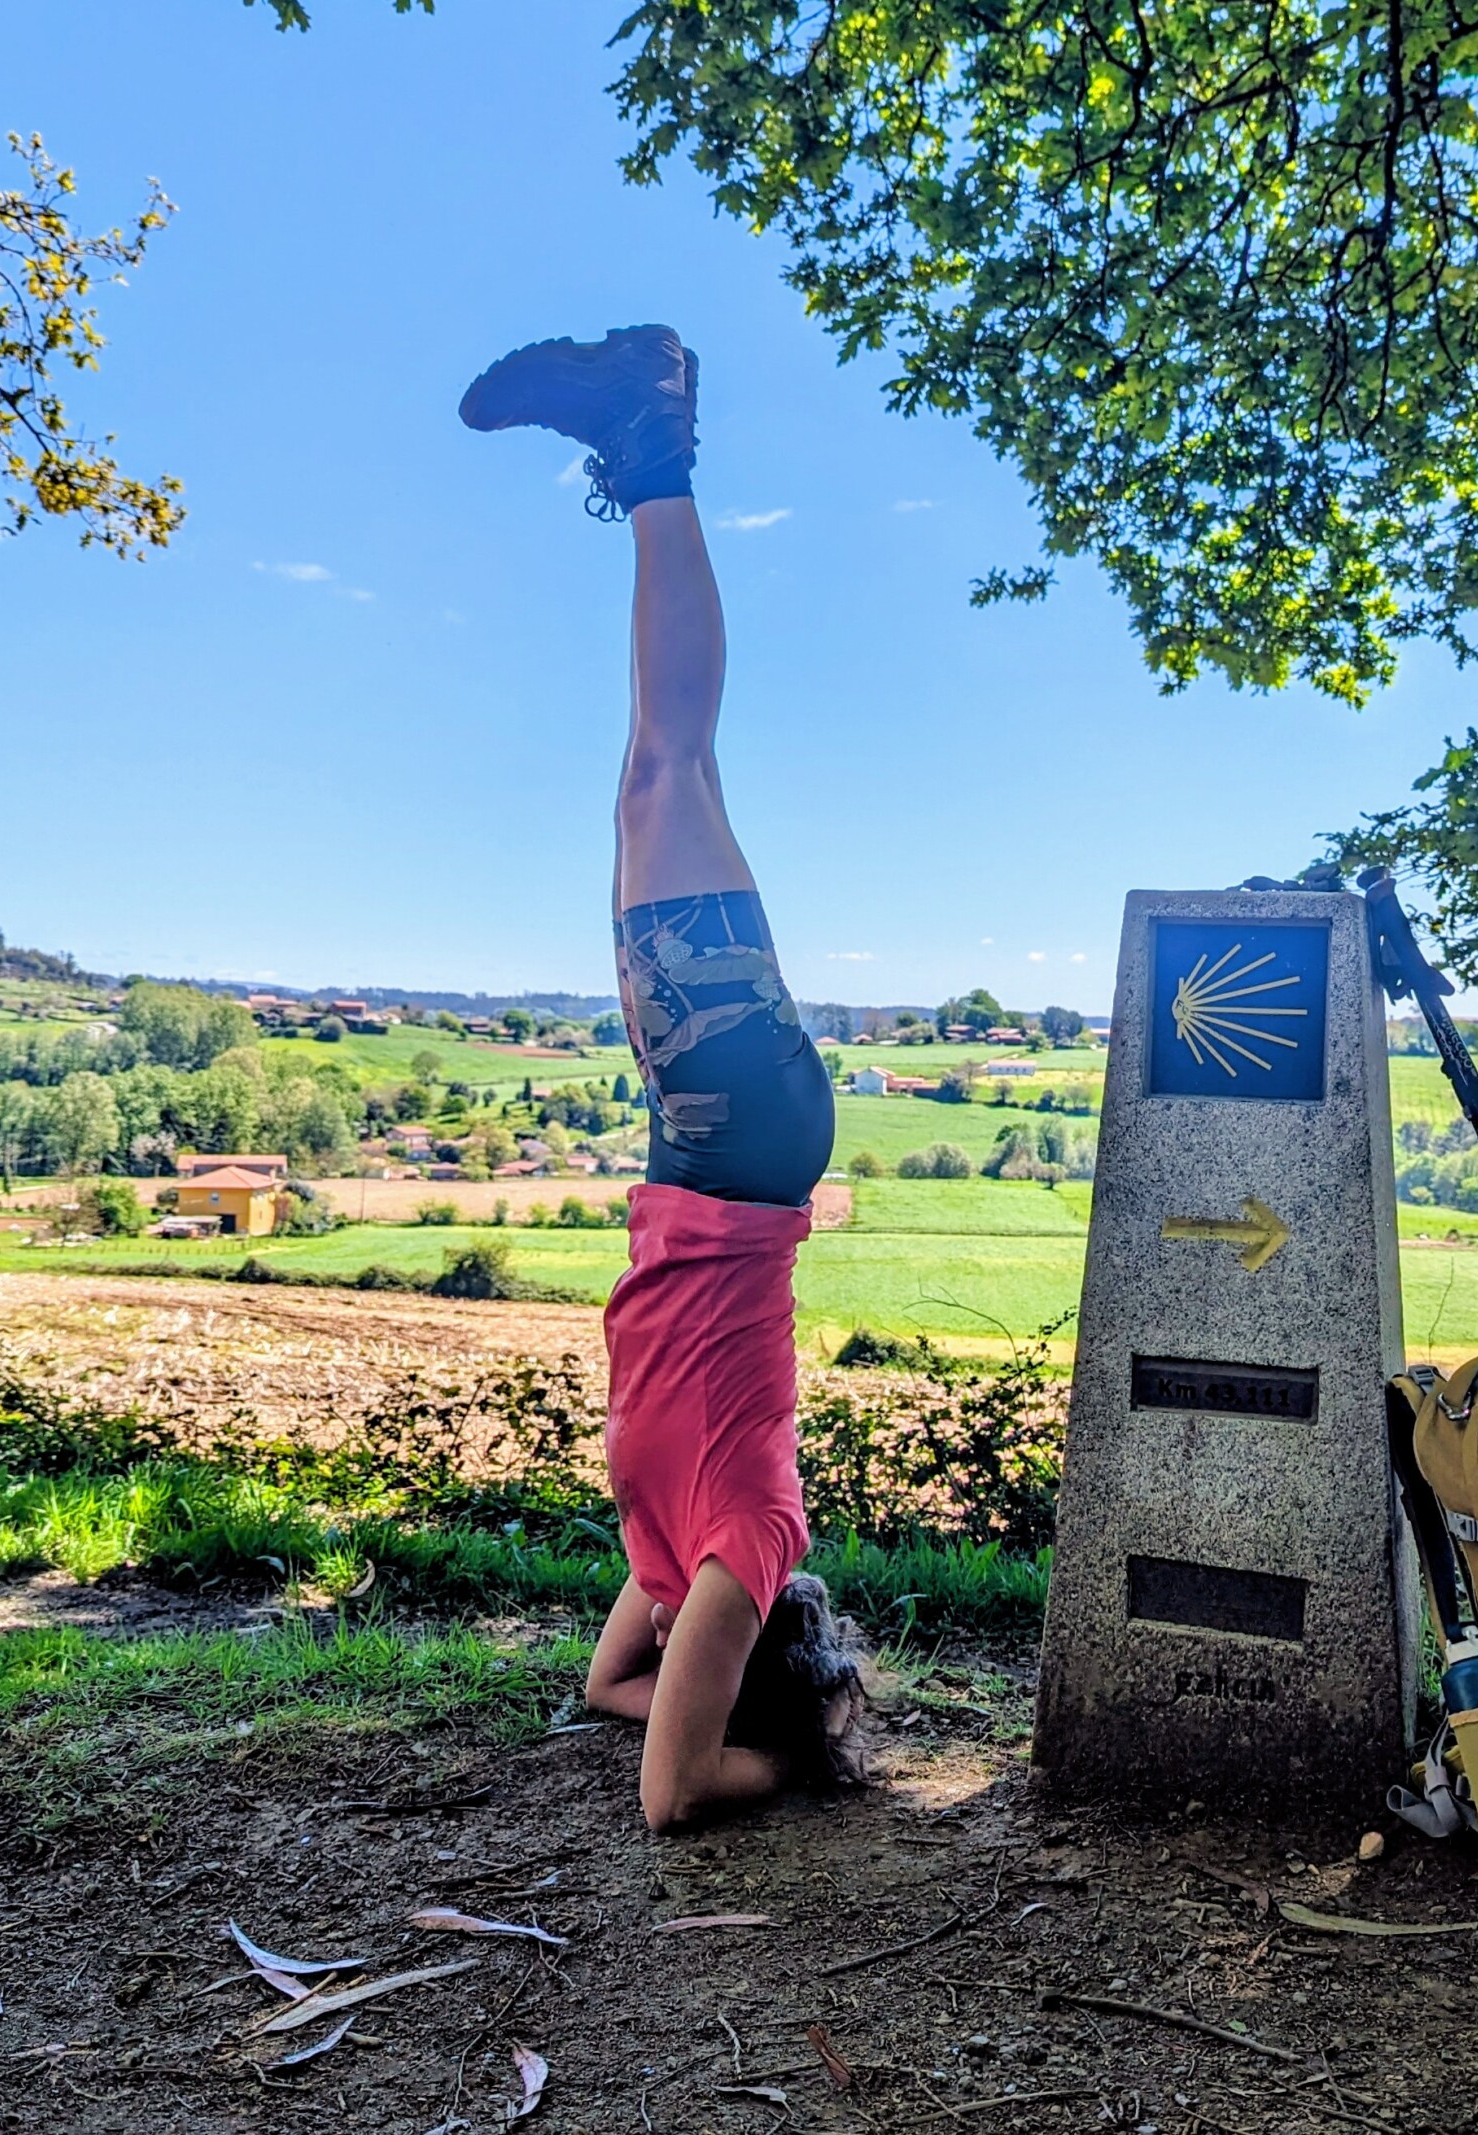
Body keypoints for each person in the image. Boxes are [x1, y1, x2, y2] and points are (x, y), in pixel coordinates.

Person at [459, 325, 867, 1830]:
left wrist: (730, 1701)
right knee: (672, 771)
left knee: (654, 767)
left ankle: (643, 446)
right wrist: (803, 1762)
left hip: (719, 1147)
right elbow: (672, 1797)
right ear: (735, 1651)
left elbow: (606, 1701)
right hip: (739, 1136)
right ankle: (652, 445)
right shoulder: (748, 1547)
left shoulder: (684, 1573)